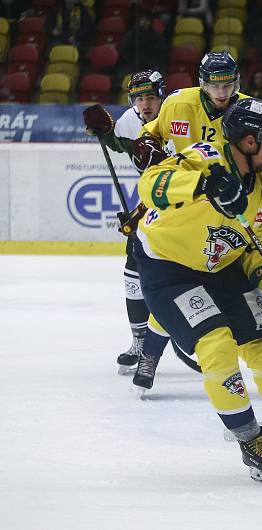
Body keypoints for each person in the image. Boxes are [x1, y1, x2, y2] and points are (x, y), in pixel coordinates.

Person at [134, 98, 262, 483]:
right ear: (248, 141)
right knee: (216, 345)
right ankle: (251, 441)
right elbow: (150, 185)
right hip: (169, 268)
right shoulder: (203, 158)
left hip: (223, 267)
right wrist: (203, 184)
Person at [138, 51, 262, 388]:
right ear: (202, 83)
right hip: (184, 202)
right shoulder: (177, 103)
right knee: (173, 281)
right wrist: (147, 146)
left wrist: (253, 196)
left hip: (231, 205)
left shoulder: (248, 111)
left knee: (259, 285)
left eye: (228, 84)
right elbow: (153, 136)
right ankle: (150, 354)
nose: (221, 92)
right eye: (214, 85)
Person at [82, 70, 173, 378]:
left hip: (193, 206)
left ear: (162, 96)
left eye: (150, 97)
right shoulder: (129, 122)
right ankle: (140, 340)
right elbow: (120, 144)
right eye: (139, 98)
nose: (145, 104)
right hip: (153, 206)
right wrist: (105, 133)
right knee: (133, 270)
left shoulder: (182, 116)